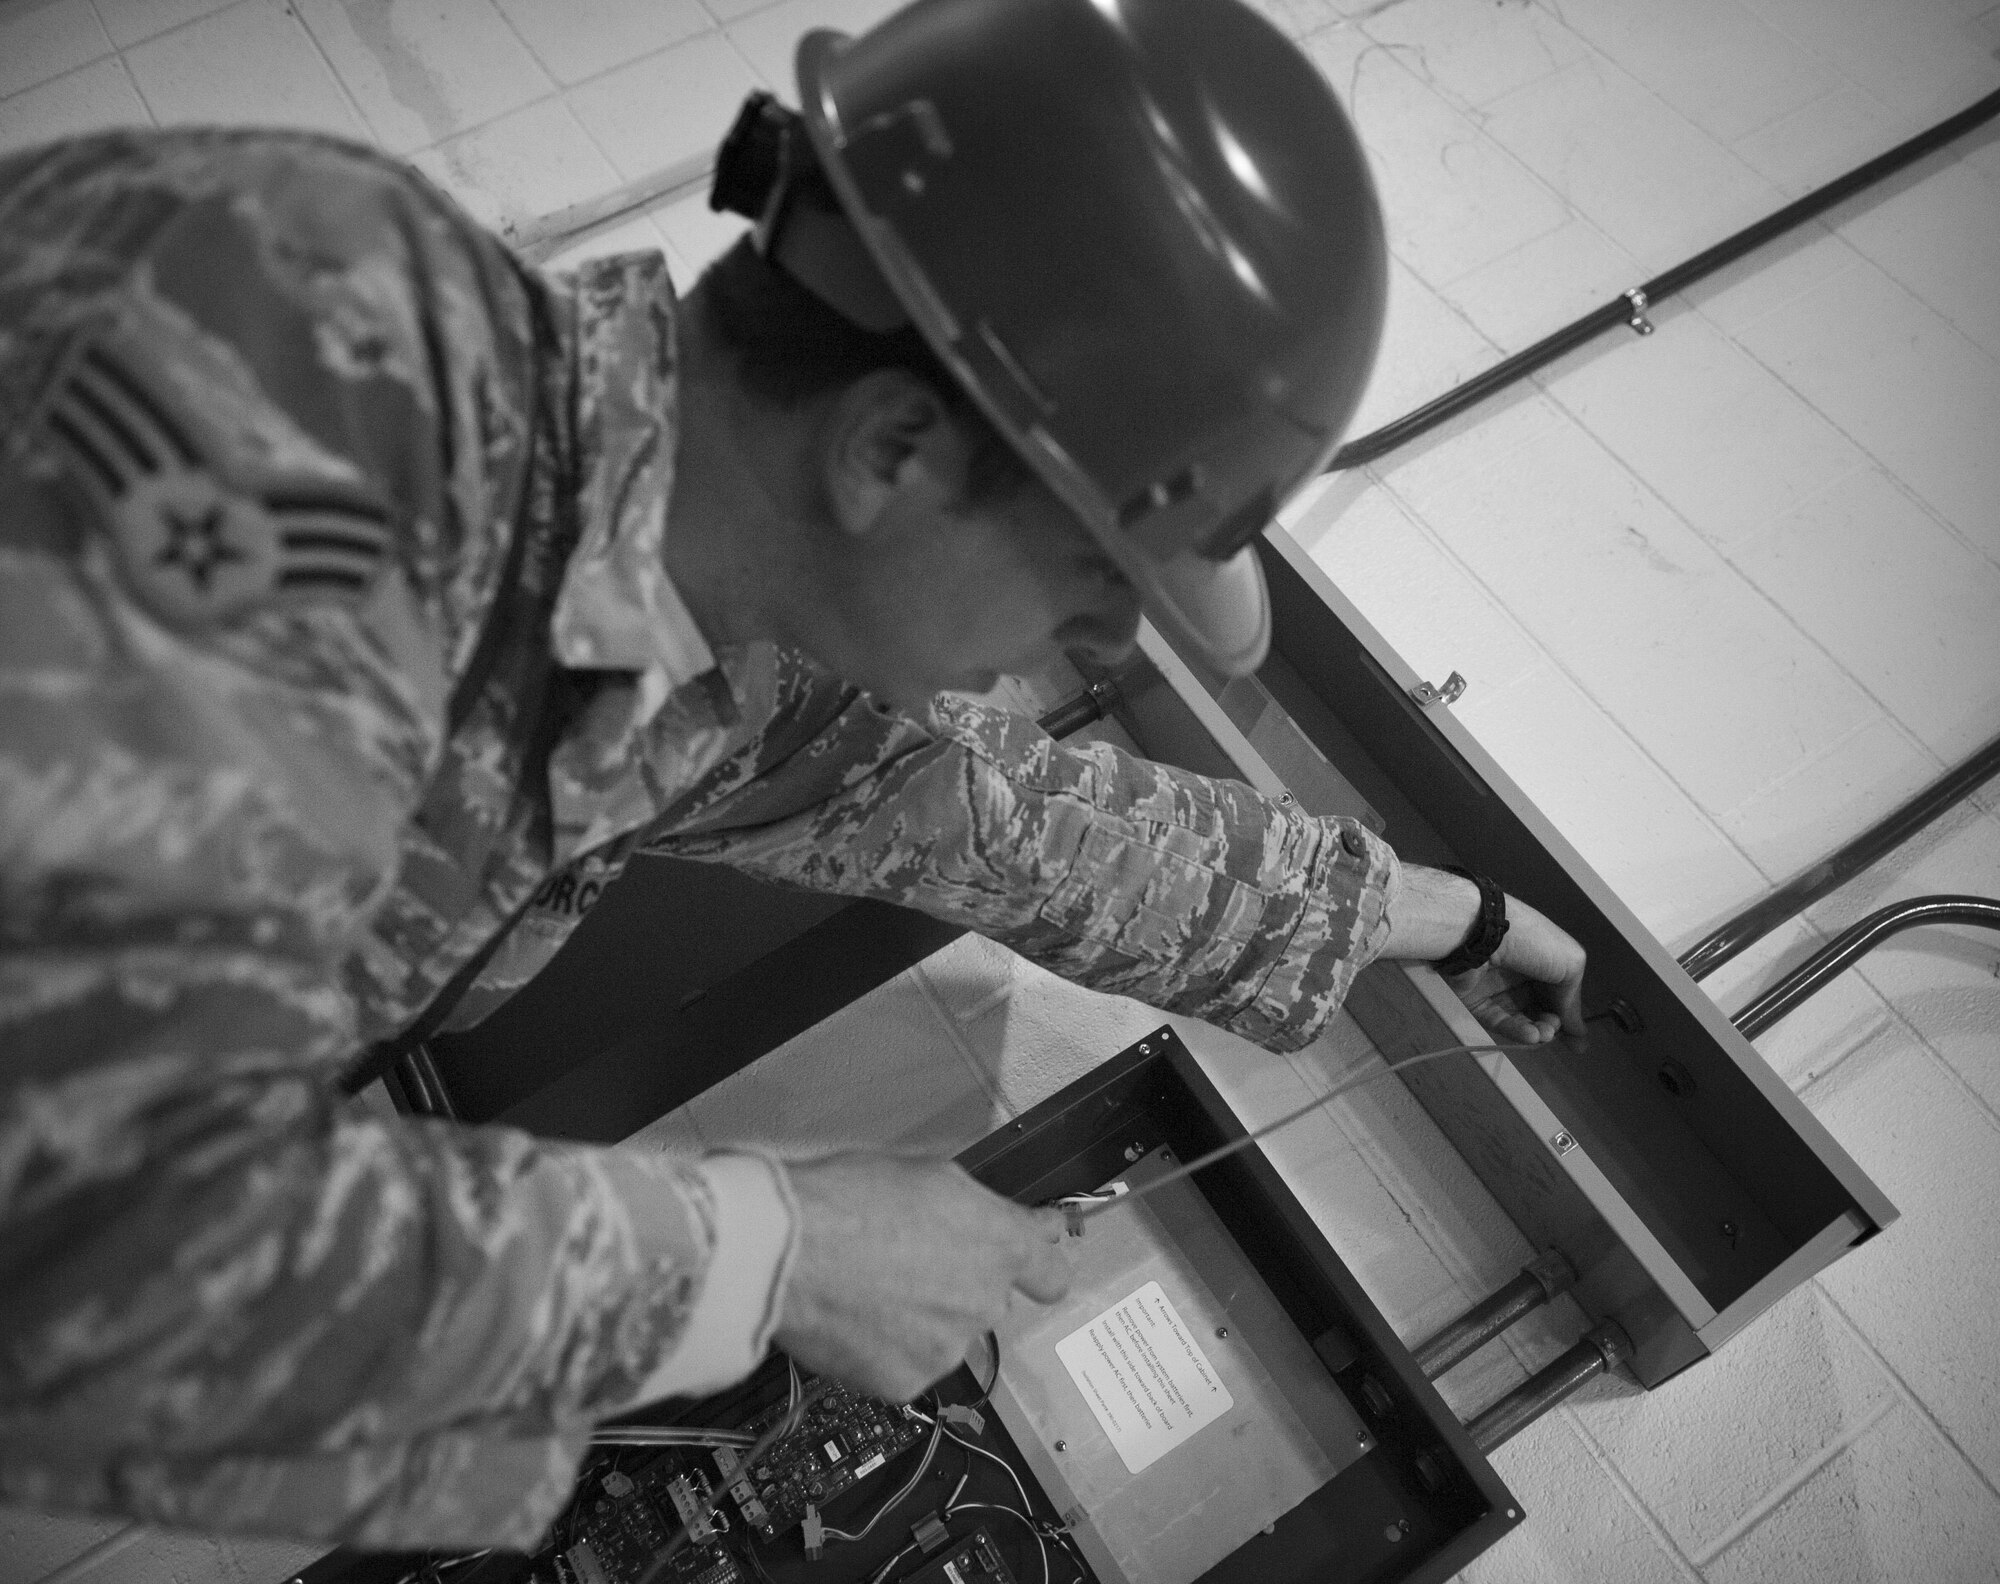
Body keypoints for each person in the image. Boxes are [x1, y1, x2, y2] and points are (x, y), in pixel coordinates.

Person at [0, 0, 1586, 1554]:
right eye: (1092, 583)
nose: (1084, 654)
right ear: (893, 450)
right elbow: (70, 1231)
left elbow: (1031, 830)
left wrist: (1451, 916)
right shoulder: (295, 361)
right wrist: (773, 1254)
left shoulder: (709, 650)